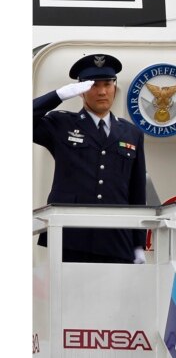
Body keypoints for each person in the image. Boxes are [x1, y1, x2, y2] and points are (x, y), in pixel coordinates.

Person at [33, 54, 148, 264]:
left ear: (115, 87)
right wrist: (58, 95)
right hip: (71, 238)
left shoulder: (132, 133)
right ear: (81, 91)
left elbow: (137, 192)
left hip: (116, 239)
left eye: (107, 84)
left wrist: (138, 244)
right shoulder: (62, 124)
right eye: (94, 85)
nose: (102, 91)